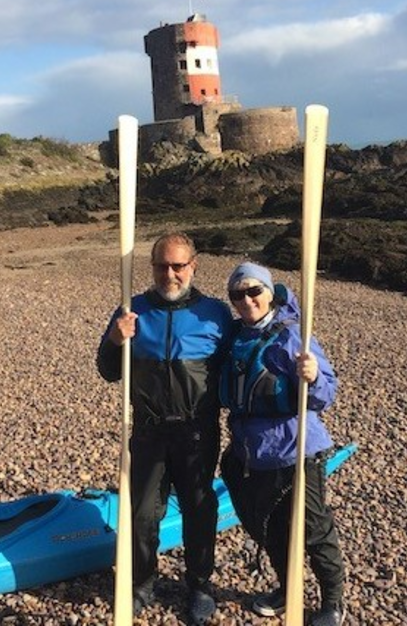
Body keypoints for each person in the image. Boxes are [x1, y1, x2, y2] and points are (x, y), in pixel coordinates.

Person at [96, 232, 232, 625]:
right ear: (152, 267)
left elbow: (237, 368)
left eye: (178, 266)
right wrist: (115, 339)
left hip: (196, 433)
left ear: (193, 266)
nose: (169, 274)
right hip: (149, 432)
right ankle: (141, 583)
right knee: (141, 514)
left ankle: (200, 587)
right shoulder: (131, 310)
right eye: (161, 266)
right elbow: (107, 370)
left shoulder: (216, 314)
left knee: (199, 510)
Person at [218, 262, 347, 626]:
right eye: (237, 294)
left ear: (269, 292)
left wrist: (314, 375)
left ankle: (333, 602)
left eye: (253, 291)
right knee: (269, 528)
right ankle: (286, 588)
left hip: (296, 451)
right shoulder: (236, 338)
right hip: (251, 452)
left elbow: (325, 394)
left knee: (314, 528)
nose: (246, 300)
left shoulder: (293, 337)